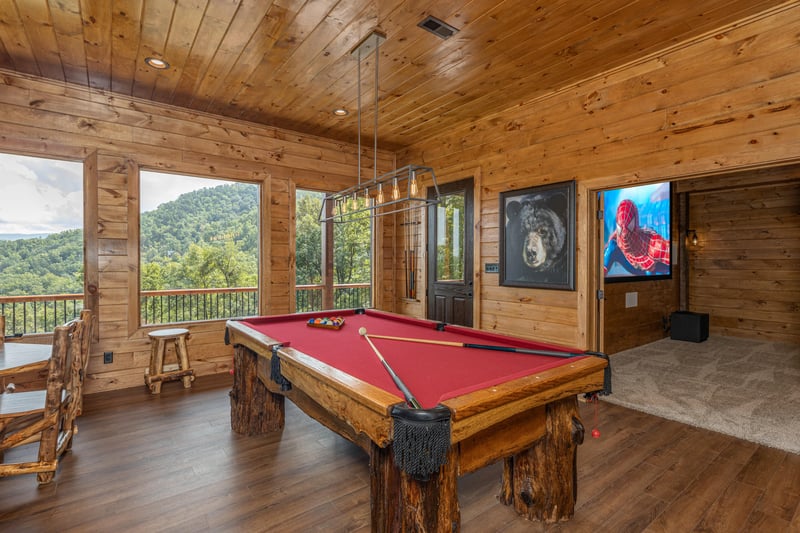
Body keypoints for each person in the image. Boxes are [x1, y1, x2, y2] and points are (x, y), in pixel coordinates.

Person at [604, 199, 670, 275]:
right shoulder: (618, 235)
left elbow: (674, 253)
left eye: (629, 228)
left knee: (650, 272)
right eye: (621, 229)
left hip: (650, 268)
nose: (625, 236)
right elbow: (616, 235)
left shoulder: (655, 246)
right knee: (612, 246)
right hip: (634, 264)